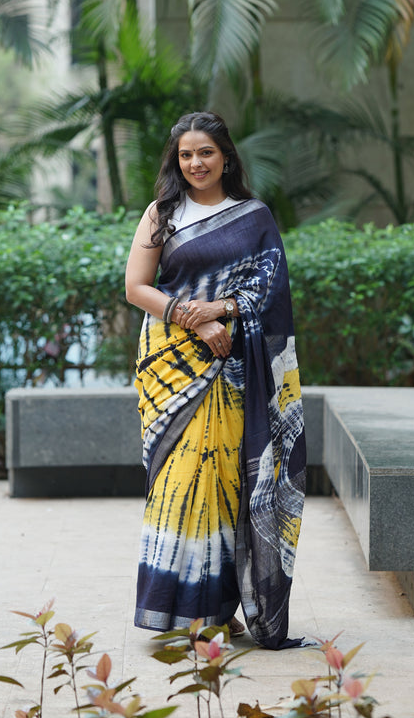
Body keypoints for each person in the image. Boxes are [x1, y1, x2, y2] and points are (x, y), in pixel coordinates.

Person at [125, 111, 309, 650]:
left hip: (232, 364)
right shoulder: (162, 213)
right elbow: (137, 287)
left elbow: (269, 290)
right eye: (185, 154)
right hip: (171, 360)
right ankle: (179, 606)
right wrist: (194, 319)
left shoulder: (254, 217)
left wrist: (221, 310)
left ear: (226, 157)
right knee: (178, 480)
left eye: (205, 152)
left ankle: (215, 610)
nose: (195, 163)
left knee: (226, 485)